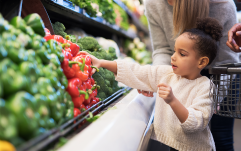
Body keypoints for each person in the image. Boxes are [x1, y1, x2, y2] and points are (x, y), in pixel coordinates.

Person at [139, 0, 241, 150]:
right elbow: (162, 49)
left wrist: (212, 101)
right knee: (178, 136)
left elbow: (226, 61)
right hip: (183, 72)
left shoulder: (221, 4)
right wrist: (159, 79)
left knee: (220, 137)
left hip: (221, 74)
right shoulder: (154, 1)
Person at [83, 18, 223, 151]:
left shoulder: (206, 88)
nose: (173, 56)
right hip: (170, 144)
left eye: (182, 54)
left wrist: (172, 100)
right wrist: (102, 63)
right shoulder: (167, 74)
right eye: (174, 50)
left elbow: (195, 124)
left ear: (202, 62)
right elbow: (137, 71)